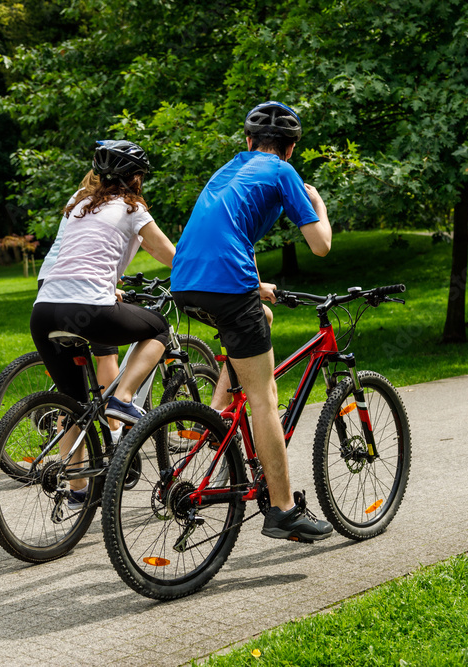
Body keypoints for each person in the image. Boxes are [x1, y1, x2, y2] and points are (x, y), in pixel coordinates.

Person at [170, 101, 333, 542]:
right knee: (265, 397)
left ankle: (219, 411)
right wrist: (316, 202)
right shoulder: (284, 173)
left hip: (185, 282)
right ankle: (282, 510)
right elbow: (320, 246)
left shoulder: (228, 170)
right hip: (226, 284)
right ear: (292, 148)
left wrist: (257, 284)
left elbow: (231, 229)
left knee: (260, 313)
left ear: (247, 142)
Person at [30, 139, 177, 507]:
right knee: (159, 326)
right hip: (89, 308)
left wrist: (107, 287)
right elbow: (170, 255)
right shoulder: (133, 209)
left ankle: (79, 492)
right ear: (137, 178)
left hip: (44, 309)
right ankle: (123, 399)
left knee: (73, 406)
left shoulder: (78, 204)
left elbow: (79, 257)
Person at [37, 169, 123, 441]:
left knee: (72, 391)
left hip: (48, 281)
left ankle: (73, 473)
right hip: (80, 284)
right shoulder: (114, 203)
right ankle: (115, 431)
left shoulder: (79, 198)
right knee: (105, 354)